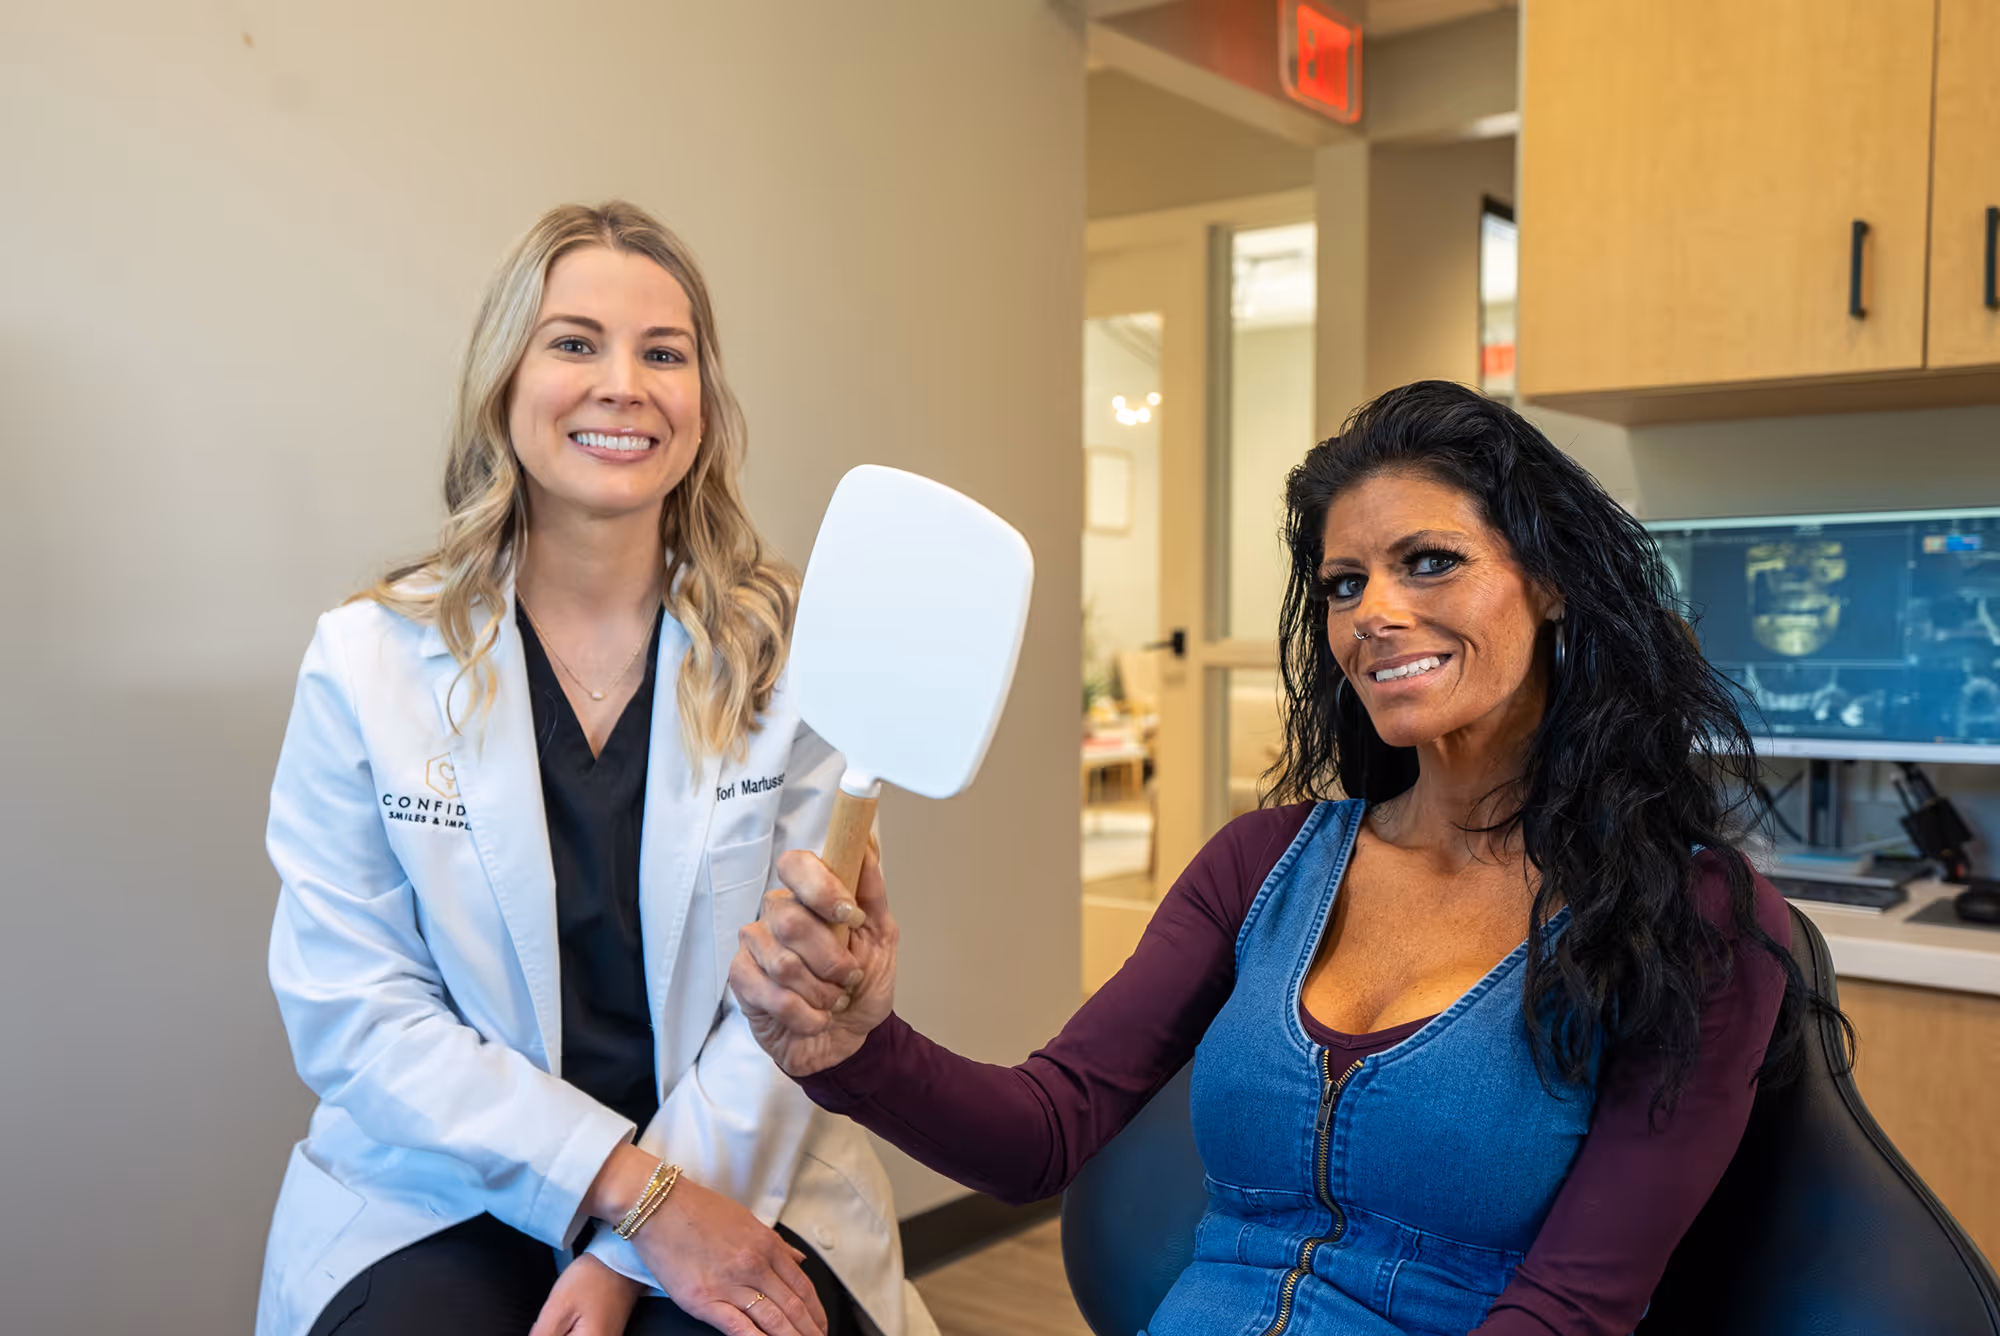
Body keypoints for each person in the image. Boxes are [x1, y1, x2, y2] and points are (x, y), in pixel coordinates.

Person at [732, 381, 1818, 1336]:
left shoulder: (1697, 919)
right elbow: (1046, 1130)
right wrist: (853, 1047)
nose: (1374, 615)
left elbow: (1574, 1309)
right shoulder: (1262, 864)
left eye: (1428, 562)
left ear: (1549, 583)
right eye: (1343, 584)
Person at [260, 201, 933, 1336]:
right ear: (503, 382)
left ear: (702, 405)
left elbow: (791, 1005)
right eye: (574, 342)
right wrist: (632, 1197)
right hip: (446, 1182)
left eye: (663, 353)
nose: (622, 382)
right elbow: (357, 1015)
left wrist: (635, 1246)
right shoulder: (369, 660)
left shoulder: (795, 660)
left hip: (735, 1160)